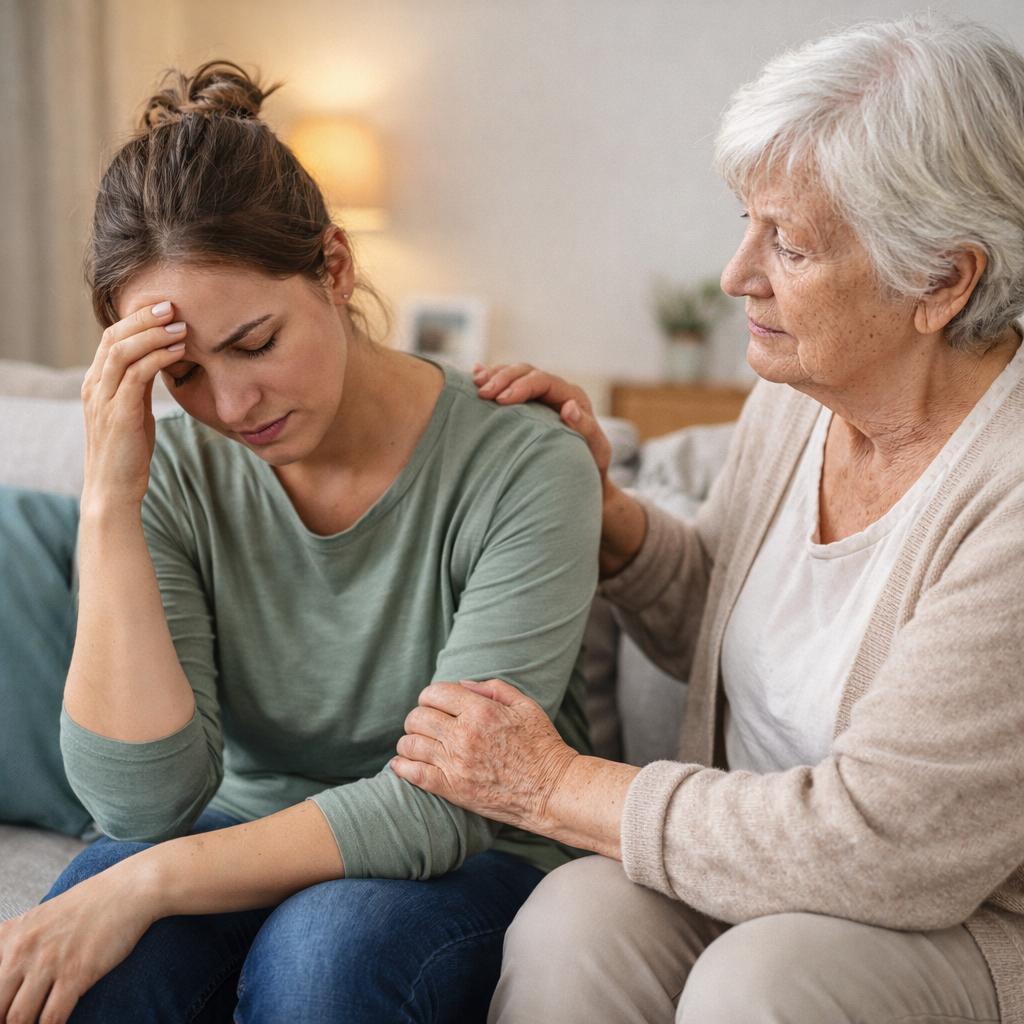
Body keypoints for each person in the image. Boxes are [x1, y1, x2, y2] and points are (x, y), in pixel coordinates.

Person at [392, 15, 1024, 1023]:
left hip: (956, 919)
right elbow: (724, 624)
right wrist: (606, 518)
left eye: (790, 245)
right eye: (747, 224)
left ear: (942, 281)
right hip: (756, 869)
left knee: (760, 983)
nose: (736, 275)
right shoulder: (800, 396)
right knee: (575, 915)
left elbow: (881, 841)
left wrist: (551, 785)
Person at [0, 61, 601, 1023]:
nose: (234, 404)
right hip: (238, 832)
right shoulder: (171, 472)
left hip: (476, 855)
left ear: (335, 268)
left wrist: (148, 882)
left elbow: (450, 801)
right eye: (185, 373)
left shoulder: (524, 464)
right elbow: (143, 807)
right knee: (76, 970)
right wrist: (110, 501)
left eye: (255, 343)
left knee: (324, 953)